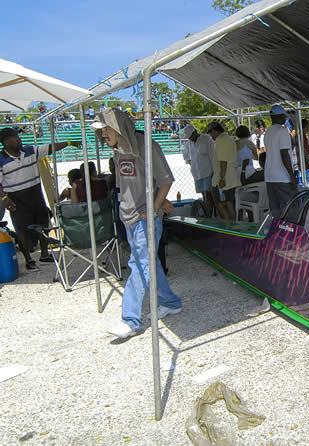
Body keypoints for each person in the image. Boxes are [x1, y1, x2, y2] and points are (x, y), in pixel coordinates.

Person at [91, 108, 181, 339]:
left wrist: (153, 209)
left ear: (119, 127)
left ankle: (130, 319)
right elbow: (133, 184)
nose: (103, 135)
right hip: (128, 215)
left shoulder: (146, 145)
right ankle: (170, 302)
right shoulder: (117, 150)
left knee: (139, 263)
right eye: (101, 131)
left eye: (106, 129)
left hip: (144, 217)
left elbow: (166, 180)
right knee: (150, 263)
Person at [0, 127, 81, 271]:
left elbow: (50, 147)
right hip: (17, 199)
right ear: (6, 141)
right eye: (15, 137)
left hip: (36, 194)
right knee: (22, 230)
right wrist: (5, 198)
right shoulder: (1, 159)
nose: (19, 139)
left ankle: (45, 254)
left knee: (43, 223)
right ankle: (29, 260)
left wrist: (69, 142)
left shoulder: (30, 150)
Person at [265, 105, 297, 217]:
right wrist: (292, 175)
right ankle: (289, 233)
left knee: (276, 211)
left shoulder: (268, 132)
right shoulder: (282, 131)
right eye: (283, 116)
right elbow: (284, 154)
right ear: (278, 116)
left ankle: (277, 233)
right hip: (282, 177)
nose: (285, 118)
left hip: (269, 177)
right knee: (289, 210)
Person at [205, 121, 240, 220]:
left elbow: (223, 161)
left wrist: (222, 178)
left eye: (210, 132)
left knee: (220, 205)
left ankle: (228, 227)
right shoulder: (230, 139)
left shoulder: (220, 140)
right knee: (229, 203)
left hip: (223, 178)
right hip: (232, 177)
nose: (210, 135)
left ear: (215, 131)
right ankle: (233, 228)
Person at [182, 124, 216, 216]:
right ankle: (207, 213)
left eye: (191, 136)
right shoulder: (188, 143)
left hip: (208, 172)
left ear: (195, 132)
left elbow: (213, 156)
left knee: (208, 194)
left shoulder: (207, 140)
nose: (190, 139)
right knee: (203, 195)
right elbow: (186, 156)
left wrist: (214, 171)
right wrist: (190, 163)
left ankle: (209, 215)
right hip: (197, 173)